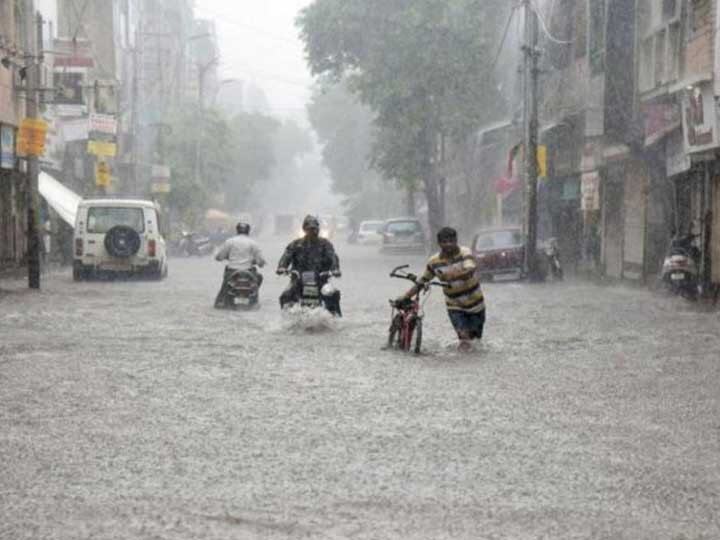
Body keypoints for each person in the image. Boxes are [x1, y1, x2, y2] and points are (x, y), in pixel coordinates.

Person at [396, 226, 485, 350]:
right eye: (444, 242)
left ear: (456, 240)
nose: (448, 244)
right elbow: (423, 280)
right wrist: (406, 296)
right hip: (454, 306)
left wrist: (456, 275)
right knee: (464, 339)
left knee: (476, 340)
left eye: (451, 241)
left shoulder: (465, 252)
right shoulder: (434, 262)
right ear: (439, 243)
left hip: (476, 305)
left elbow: (470, 268)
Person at [276, 214, 342, 316]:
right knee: (285, 296)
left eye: (314, 229)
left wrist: (335, 269)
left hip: (321, 280)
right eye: (310, 229)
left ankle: (336, 319)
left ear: (318, 229)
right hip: (298, 281)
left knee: (333, 295)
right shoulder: (296, 244)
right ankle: (286, 319)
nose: (312, 232)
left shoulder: (325, 244)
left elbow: (333, 257)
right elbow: (286, 256)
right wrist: (282, 267)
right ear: (305, 229)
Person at [214, 222, 266, 308]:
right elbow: (261, 261)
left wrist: (227, 257)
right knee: (259, 277)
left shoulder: (230, 241)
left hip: (231, 271)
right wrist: (257, 262)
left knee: (222, 292)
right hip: (249, 272)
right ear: (248, 231)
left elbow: (219, 257)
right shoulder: (253, 243)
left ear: (237, 230)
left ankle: (221, 302)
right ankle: (254, 301)